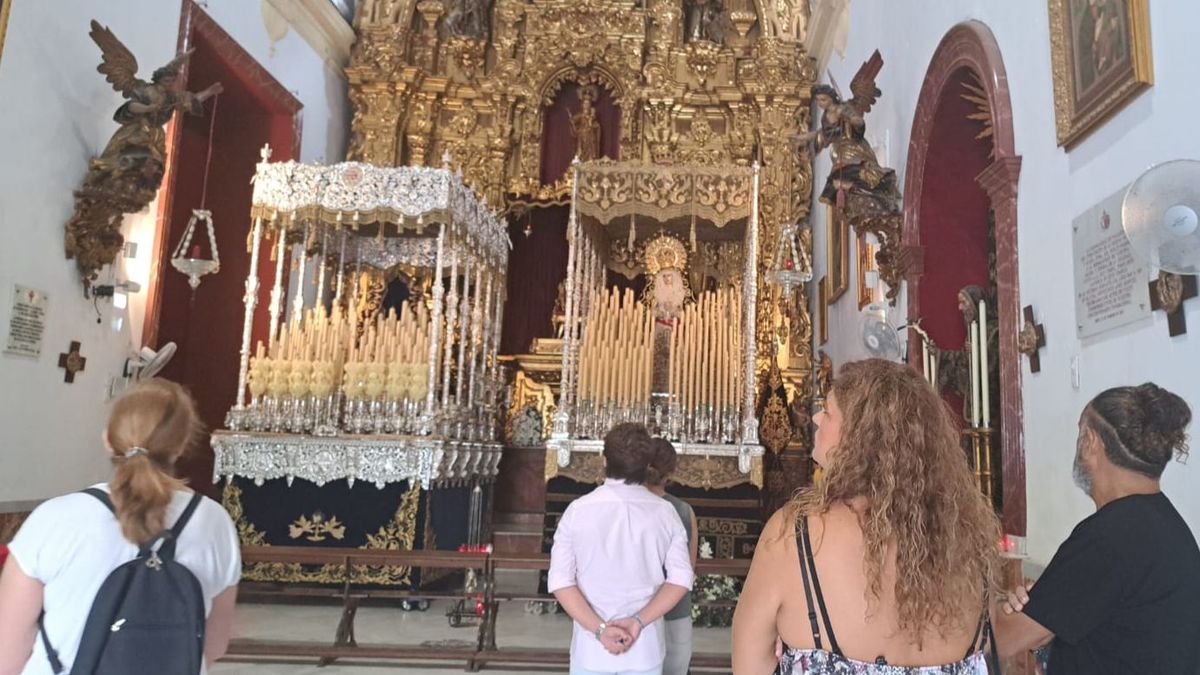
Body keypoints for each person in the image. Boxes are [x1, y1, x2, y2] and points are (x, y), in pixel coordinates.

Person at [732, 358, 1001, 674]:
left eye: (829, 412)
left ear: (860, 438)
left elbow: (749, 666)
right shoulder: (969, 541)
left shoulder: (798, 534)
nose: (817, 418)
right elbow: (992, 640)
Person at [0, 379, 242, 675]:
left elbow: (6, 655)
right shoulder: (214, 522)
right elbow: (213, 645)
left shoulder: (54, 519)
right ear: (180, 446)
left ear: (107, 438)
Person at [994, 384, 1200, 674]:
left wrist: (995, 609)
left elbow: (1003, 640)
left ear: (1090, 441)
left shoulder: (1108, 537)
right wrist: (1049, 613)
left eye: (1080, 433)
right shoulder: (1167, 526)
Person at [548, 423, 694, 675]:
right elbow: (681, 578)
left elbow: (561, 581)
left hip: (591, 650)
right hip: (644, 646)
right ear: (647, 465)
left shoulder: (578, 511)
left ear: (604, 460)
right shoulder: (664, 512)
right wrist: (638, 622)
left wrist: (600, 630)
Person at [646, 438, 699, 675]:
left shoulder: (630, 506)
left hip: (638, 610)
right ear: (672, 471)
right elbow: (689, 566)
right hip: (676, 609)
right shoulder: (684, 510)